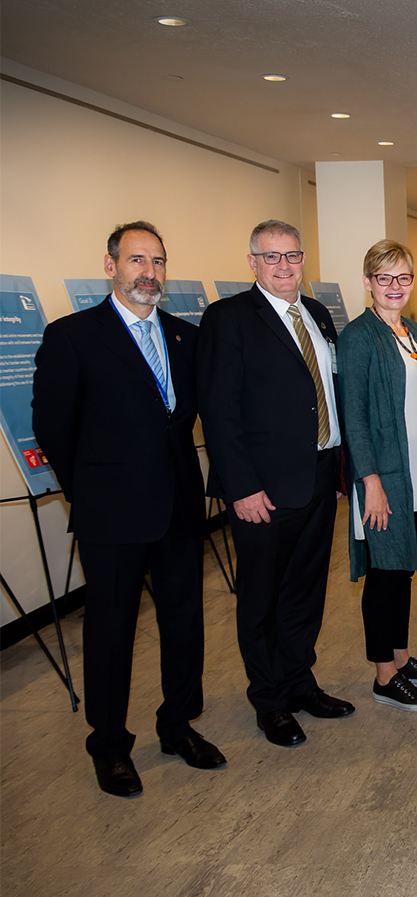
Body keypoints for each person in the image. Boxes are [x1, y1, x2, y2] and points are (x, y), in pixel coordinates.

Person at [32, 221, 223, 797]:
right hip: (110, 514)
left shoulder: (185, 338)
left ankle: (177, 725)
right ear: (111, 264)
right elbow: (54, 428)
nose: (150, 272)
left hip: (179, 509)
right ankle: (110, 745)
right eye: (137, 260)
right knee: (112, 631)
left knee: (185, 622)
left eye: (159, 261)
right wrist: (87, 490)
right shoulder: (73, 337)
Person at [199, 219, 355, 748]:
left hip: (317, 475)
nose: (284, 266)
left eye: (292, 255)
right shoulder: (228, 319)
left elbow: (324, 392)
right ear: (252, 262)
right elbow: (219, 413)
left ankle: (298, 681)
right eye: (271, 257)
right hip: (262, 488)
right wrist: (240, 487)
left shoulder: (315, 313)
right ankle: (268, 699)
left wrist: (337, 468)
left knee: (306, 592)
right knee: (262, 598)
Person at [338, 240, 417, 713]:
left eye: (403, 277)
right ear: (367, 282)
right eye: (384, 278)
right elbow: (355, 417)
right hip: (386, 479)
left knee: (403, 569)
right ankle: (384, 677)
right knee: (385, 574)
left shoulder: (414, 331)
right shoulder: (360, 337)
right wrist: (371, 482)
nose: (395, 287)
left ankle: (401, 658)